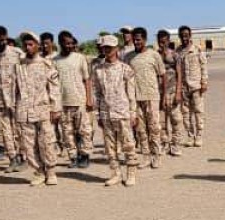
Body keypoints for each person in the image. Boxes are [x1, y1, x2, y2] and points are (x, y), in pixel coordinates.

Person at [15, 31, 62, 187]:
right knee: (29, 145)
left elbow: (54, 88)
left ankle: (51, 172)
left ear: (37, 46)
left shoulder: (46, 64)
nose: (27, 48)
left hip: (43, 110)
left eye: (30, 44)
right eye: (25, 45)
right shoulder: (19, 66)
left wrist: (56, 108)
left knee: (46, 142)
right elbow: (14, 88)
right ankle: (38, 172)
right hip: (25, 111)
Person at [92, 34, 139, 187]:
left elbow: (131, 94)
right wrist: (98, 114)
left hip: (123, 112)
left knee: (128, 144)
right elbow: (97, 93)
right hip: (106, 113)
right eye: (104, 47)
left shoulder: (126, 69)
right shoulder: (98, 70)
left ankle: (131, 174)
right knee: (110, 147)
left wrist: (133, 113)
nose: (107, 50)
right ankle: (115, 173)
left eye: (110, 48)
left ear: (116, 49)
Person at [124, 27, 166, 168]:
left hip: (152, 97)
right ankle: (146, 156)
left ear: (145, 40)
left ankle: (157, 156)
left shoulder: (154, 55)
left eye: (139, 39)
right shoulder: (128, 58)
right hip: (135, 98)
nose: (136, 42)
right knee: (140, 129)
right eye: (135, 39)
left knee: (154, 128)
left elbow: (163, 76)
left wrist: (163, 96)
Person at [52, 31, 94, 168]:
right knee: (67, 132)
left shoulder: (79, 58)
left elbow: (87, 79)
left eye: (71, 43)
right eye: (66, 43)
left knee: (84, 131)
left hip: (80, 100)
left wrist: (89, 99)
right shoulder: (54, 60)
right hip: (63, 102)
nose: (69, 45)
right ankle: (73, 157)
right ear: (60, 43)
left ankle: (85, 155)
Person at [0, 25, 23, 171]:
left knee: (20, 129)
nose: (2, 42)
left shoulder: (17, 53)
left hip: (17, 97)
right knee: (5, 131)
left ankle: (22, 156)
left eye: (4, 39)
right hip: (0, 99)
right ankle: (12, 158)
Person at [176, 25, 209, 147]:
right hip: (184, 87)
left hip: (196, 86)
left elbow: (203, 66)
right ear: (179, 36)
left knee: (199, 112)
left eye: (186, 35)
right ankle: (190, 136)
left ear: (190, 36)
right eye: (182, 36)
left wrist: (204, 82)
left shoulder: (197, 49)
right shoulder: (178, 52)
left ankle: (199, 136)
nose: (184, 38)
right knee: (186, 113)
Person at [156, 29, 185, 156]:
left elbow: (179, 74)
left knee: (175, 119)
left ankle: (176, 145)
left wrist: (178, 92)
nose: (162, 44)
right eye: (160, 42)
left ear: (168, 41)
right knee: (161, 121)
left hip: (173, 91)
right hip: (159, 92)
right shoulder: (155, 55)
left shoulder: (174, 55)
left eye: (164, 41)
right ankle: (164, 144)